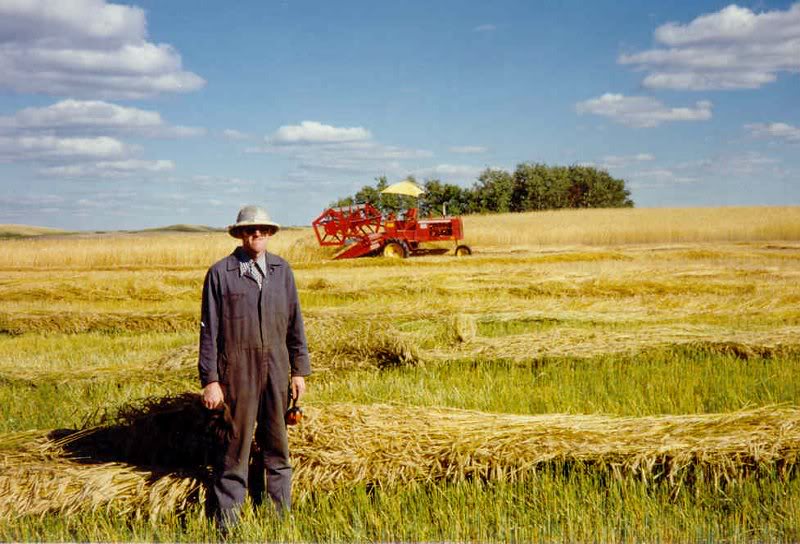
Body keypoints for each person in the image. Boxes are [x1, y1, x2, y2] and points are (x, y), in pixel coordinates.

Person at [198, 204, 311, 528]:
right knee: (234, 451)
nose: (256, 234)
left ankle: (280, 519)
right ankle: (227, 525)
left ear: (270, 233)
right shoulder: (220, 273)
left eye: (262, 229)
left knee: (278, 448)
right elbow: (209, 331)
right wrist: (211, 380)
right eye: (250, 229)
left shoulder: (282, 270)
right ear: (240, 234)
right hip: (237, 373)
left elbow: (295, 324)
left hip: (276, 370)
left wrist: (299, 370)